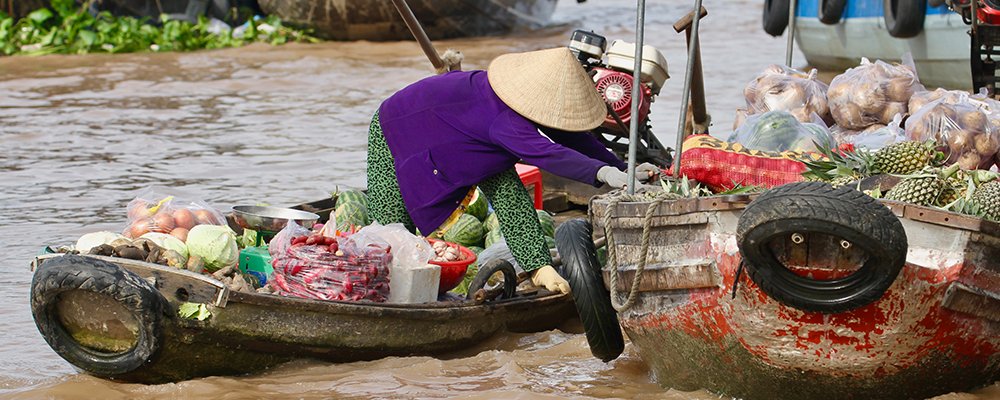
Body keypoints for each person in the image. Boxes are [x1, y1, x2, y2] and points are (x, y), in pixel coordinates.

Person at [365, 47, 659, 294]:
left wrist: (623, 167)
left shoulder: (518, 100)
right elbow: (547, 153)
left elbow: (572, 138)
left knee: (506, 188)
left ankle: (538, 266)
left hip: (458, 130)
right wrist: (603, 174)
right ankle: (389, 288)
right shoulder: (503, 120)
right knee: (394, 228)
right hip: (395, 124)